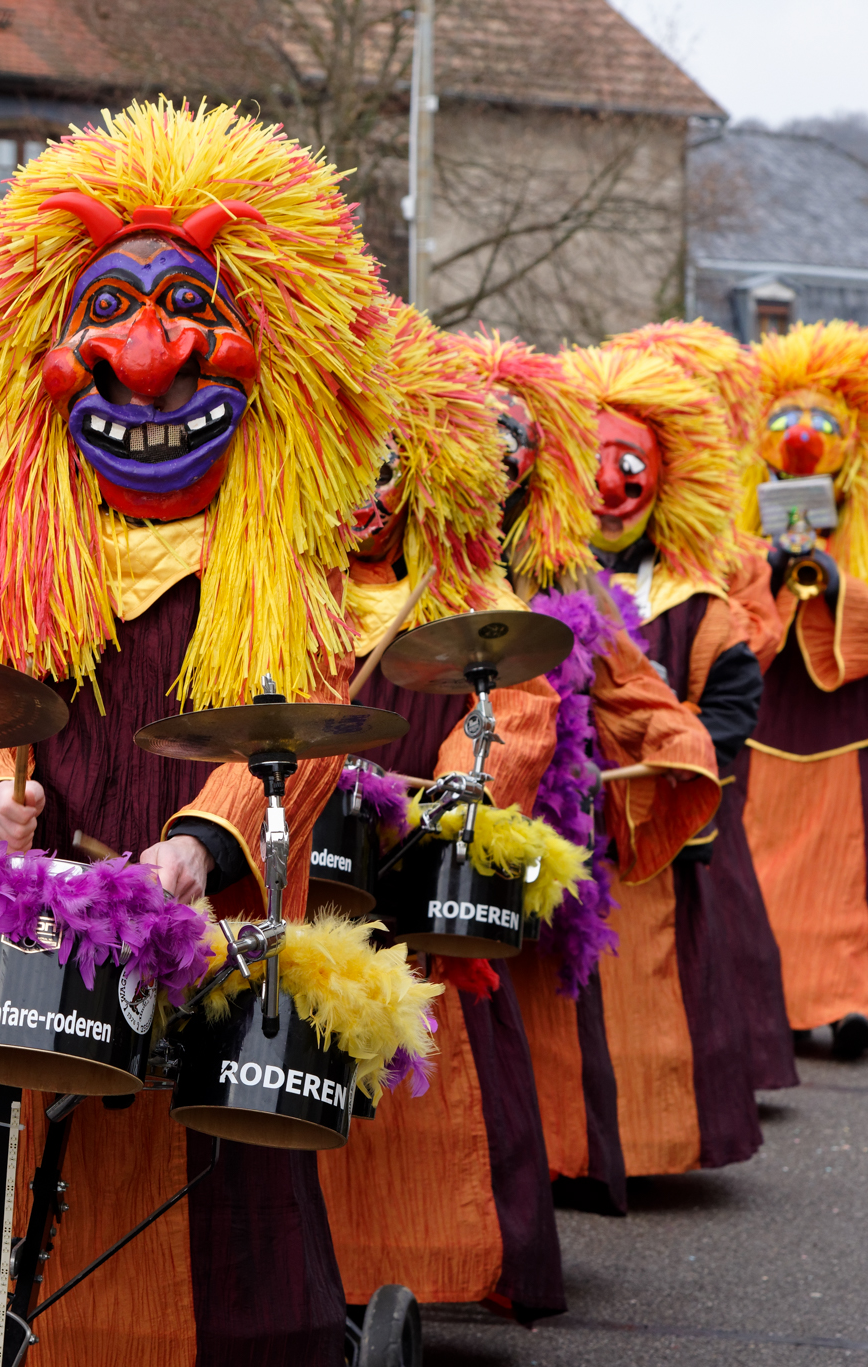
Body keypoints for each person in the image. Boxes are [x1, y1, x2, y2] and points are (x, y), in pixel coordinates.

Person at [0, 99, 397, 1363]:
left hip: (196, 934)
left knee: (198, 1211)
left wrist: (201, 840)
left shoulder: (276, 571)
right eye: (107, 314)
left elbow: (297, 740)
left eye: (191, 314)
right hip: (30, 934)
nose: (146, 360)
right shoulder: (11, 559)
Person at [313, 300, 568, 1321]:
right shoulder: (262, 581)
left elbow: (508, 717)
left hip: (404, 883)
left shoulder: (461, 588)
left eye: (381, 461)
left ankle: (416, 1265)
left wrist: (439, 799)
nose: (359, 491)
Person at [565, 334, 754, 1177]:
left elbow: (733, 699)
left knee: (659, 988)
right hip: (571, 829)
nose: (609, 488)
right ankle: (584, 1149)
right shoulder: (540, 585)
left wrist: (682, 760)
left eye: (629, 467)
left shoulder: (697, 602)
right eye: (592, 463)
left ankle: (657, 1143)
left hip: (649, 837)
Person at [454, 328, 632, 1211]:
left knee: (544, 986)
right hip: (461, 794)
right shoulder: (432, 564)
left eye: (511, 437)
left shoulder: (570, 578)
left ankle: (563, 1155)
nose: (497, 454)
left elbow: (632, 689)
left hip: (549, 804)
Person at [739, 320, 868, 1060]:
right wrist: (779, 572)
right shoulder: (747, 528)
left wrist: (837, 578)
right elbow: (740, 626)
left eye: (821, 423)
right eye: (787, 419)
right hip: (770, 726)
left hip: (845, 729)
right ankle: (780, 1000)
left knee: (846, 877)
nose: (802, 435)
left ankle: (848, 998)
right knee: (769, 870)